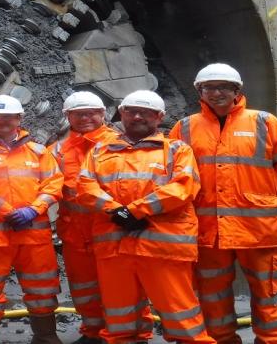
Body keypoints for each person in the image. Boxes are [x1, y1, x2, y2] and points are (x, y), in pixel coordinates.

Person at [169, 63, 277, 343]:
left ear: (237, 91)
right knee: (212, 297)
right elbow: (174, 173)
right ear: (199, 92)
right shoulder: (185, 127)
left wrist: (259, 194)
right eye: (209, 87)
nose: (216, 93)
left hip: (261, 230)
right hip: (208, 231)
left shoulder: (265, 122)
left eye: (223, 87)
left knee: (269, 296)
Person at [78, 90, 215, 344]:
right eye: (131, 111)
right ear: (121, 113)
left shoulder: (176, 150)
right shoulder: (100, 150)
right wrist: (116, 210)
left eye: (146, 112)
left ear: (160, 116)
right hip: (115, 248)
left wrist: (135, 211)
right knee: (121, 322)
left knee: (182, 318)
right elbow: (85, 187)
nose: (137, 116)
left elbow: (183, 187)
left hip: (163, 247)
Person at [0, 95, 65, 344]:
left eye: (8, 116)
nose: (2, 121)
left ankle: (46, 337)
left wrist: (34, 208)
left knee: (42, 289)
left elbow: (54, 184)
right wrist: (8, 211)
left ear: (19, 118)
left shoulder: (38, 151)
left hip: (33, 237)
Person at [52, 91, 154, 344]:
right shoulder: (58, 150)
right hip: (76, 232)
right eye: (78, 114)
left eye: (91, 113)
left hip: (114, 227)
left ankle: (136, 334)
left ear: (103, 115)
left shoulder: (121, 142)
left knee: (124, 287)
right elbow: (50, 186)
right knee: (84, 288)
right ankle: (93, 332)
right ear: (67, 116)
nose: (85, 118)